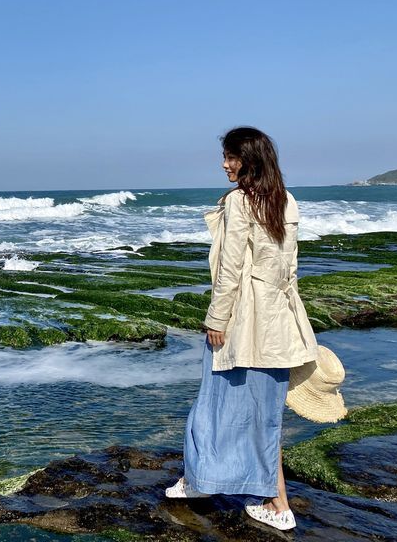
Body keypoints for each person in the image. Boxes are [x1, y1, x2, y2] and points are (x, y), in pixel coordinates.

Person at [164, 126, 318, 532]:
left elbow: (229, 269)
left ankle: (266, 499)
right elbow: (291, 268)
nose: (224, 164)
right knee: (263, 414)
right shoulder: (286, 201)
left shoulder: (239, 202)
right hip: (276, 320)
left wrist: (216, 318)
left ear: (248, 160)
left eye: (231, 157)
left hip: (243, 320)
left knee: (214, 404)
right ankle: (215, 484)